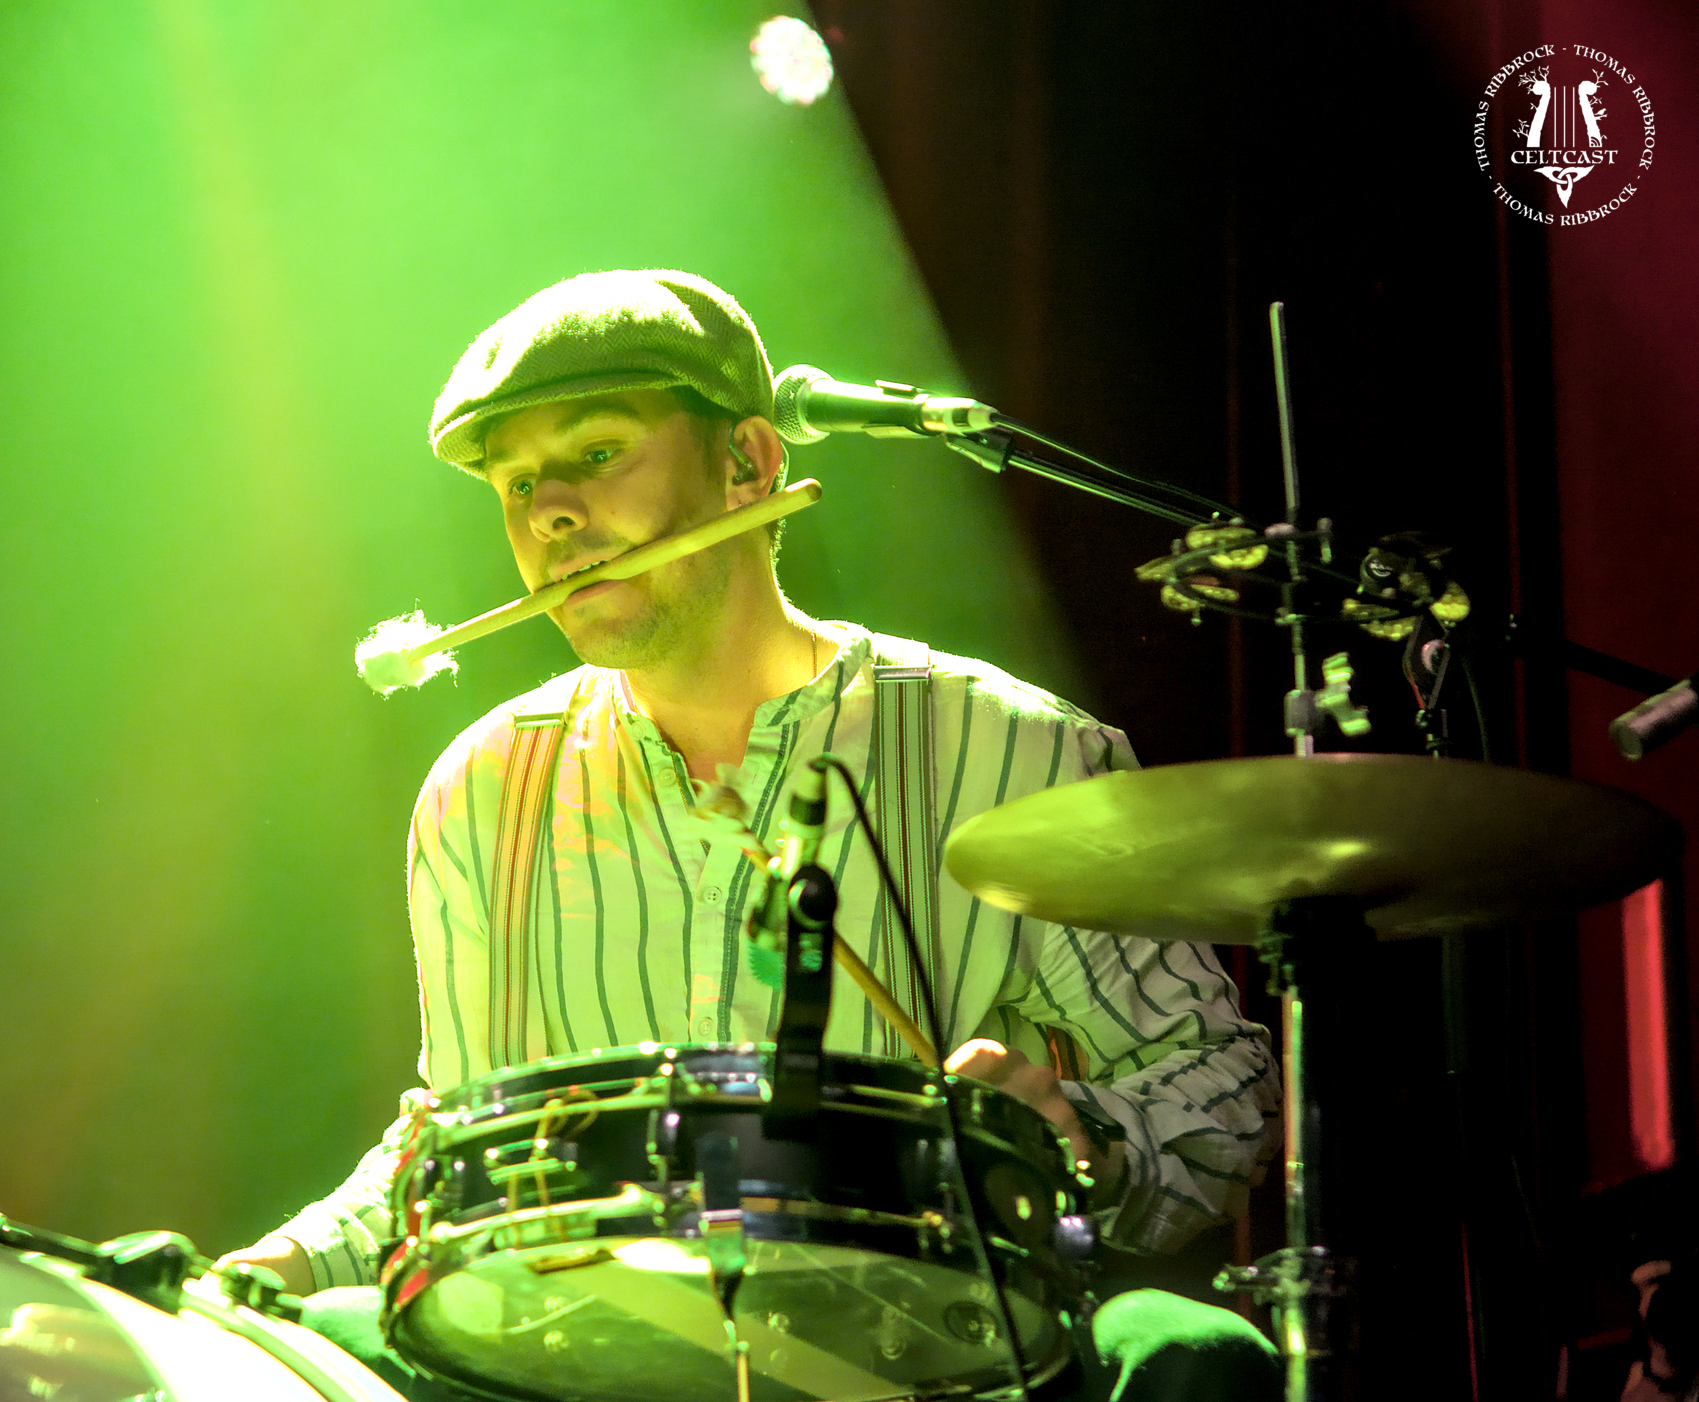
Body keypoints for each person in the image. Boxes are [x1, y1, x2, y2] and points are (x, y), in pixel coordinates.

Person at [220, 270, 1283, 1399]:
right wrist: (259, 1274)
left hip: (928, 1361)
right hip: (590, 1359)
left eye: (596, 452)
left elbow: (1222, 1082)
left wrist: (1079, 1139)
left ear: (751, 463)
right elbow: (456, 1149)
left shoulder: (1009, 749)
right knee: (321, 1336)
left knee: (1188, 1353)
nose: (549, 512)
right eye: (518, 482)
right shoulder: (482, 790)